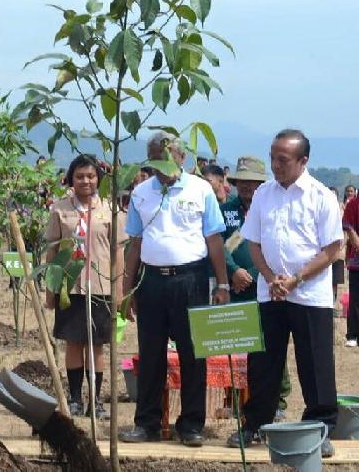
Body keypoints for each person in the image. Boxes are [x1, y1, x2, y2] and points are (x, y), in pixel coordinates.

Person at [227, 129, 342, 459]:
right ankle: (255, 424)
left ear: (302, 161)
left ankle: (321, 427)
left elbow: (332, 249)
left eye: (283, 159)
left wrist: (295, 279)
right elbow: (253, 242)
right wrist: (270, 278)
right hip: (270, 292)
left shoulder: (321, 196)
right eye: (272, 157)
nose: (275, 165)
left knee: (315, 363)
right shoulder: (264, 194)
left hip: (309, 294)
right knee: (263, 362)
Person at [119, 132, 229, 447]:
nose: (159, 168)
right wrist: (127, 290)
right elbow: (135, 244)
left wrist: (221, 283)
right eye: (153, 161)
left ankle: (191, 425)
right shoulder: (140, 192)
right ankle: (147, 423)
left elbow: (214, 241)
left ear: (181, 158)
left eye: (165, 160)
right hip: (151, 281)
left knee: (193, 354)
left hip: (191, 280)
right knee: (151, 353)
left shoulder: (201, 189)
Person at [45, 154, 127, 420]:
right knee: (73, 342)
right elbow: (52, 251)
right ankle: (75, 398)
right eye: (80, 176)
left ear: (98, 179)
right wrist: (50, 290)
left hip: (101, 285)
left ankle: (97, 400)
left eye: (91, 176)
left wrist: (119, 290)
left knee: (97, 345)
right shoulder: (60, 209)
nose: (85, 181)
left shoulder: (108, 209)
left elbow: (118, 251)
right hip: (70, 286)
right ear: (71, 179)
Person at [220, 156, 292, 420]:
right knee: (235, 344)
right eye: (243, 182)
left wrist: (252, 273)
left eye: (253, 182)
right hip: (234, 287)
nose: (248, 187)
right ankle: (234, 399)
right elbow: (217, 243)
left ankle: (279, 400)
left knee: (270, 346)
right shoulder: (226, 209)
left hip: (265, 286)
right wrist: (234, 272)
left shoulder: (272, 208)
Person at [342, 187, 359, 347]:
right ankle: (352, 335)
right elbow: (348, 226)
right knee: (355, 299)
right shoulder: (353, 203)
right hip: (357, 260)